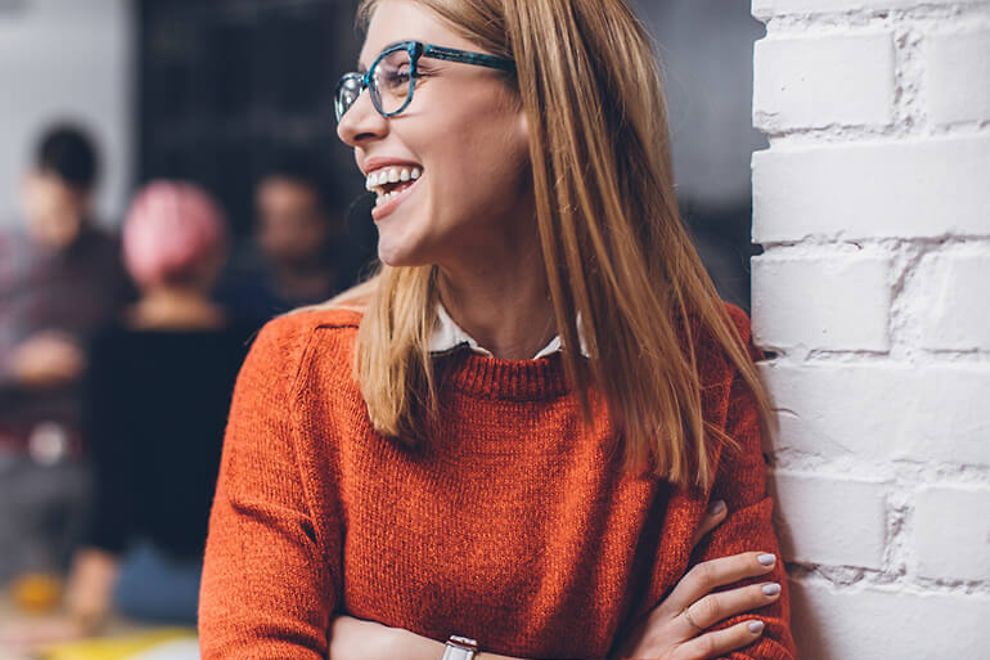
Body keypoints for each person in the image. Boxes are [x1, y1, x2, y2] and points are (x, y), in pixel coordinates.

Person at [199, 1, 797, 658]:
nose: (353, 124)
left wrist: (408, 653)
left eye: (400, 76)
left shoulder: (699, 364)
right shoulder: (299, 370)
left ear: (541, 96)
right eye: (360, 86)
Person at [58, 181, 254, 634]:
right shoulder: (250, 341)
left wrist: (82, 608)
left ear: (135, 256)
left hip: (143, 582)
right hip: (237, 578)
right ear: (214, 251)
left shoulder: (110, 349)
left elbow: (113, 489)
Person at [0, 124, 131, 582]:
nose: (65, 230)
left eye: (77, 211)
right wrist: (17, 364)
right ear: (28, 184)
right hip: (10, 457)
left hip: (87, 458)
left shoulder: (113, 256)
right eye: (55, 210)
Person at [214, 155, 356, 325]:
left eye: (295, 220)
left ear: (331, 221)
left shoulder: (355, 302)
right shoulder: (235, 309)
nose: (282, 234)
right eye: (269, 220)